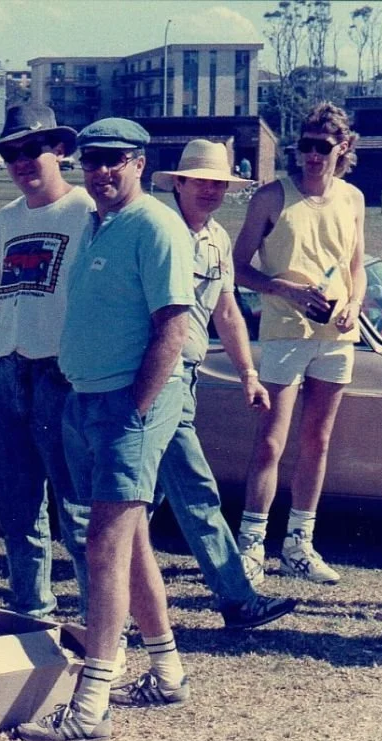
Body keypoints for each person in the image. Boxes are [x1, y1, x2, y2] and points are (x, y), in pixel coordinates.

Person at [17, 119, 194, 741]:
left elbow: (173, 326)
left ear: (140, 162)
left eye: (115, 161)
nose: (102, 172)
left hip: (128, 405)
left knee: (103, 544)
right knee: (130, 539)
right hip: (88, 399)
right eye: (93, 161)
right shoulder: (99, 222)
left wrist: (136, 409)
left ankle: (90, 704)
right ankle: (167, 672)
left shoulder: (155, 225)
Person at [149, 140, 298, 630]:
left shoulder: (215, 240)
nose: (212, 190)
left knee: (141, 497)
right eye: (203, 181)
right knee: (192, 489)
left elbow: (227, 311)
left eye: (220, 183)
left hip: (184, 377)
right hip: (151, 378)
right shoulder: (152, 227)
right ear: (181, 183)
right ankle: (237, 599)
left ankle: (106, 589)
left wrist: (249, 375)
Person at [232, 102, 366, 586]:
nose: (312, 156)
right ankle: (251, 545)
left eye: (322, 147)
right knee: (271, 440)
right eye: (305, 146)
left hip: (335, 338)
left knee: (318, 440)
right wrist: (283, 289)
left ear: (343, 149)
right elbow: (238, 268)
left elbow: (356, 267)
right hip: (285, 334)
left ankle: (298, 545)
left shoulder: (352, 199)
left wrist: (354, 303)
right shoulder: (271, 197)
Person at [0, 103, 91, 619]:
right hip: (7, 369)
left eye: (31, 150)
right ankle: (32, 611)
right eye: (10, 154)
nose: (21, 162)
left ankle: (99, 618)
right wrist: (12, 348)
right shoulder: (5, 218)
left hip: (60, 374)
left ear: (59, 150)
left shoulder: (87, 212)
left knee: (77, 510)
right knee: (17, 506)